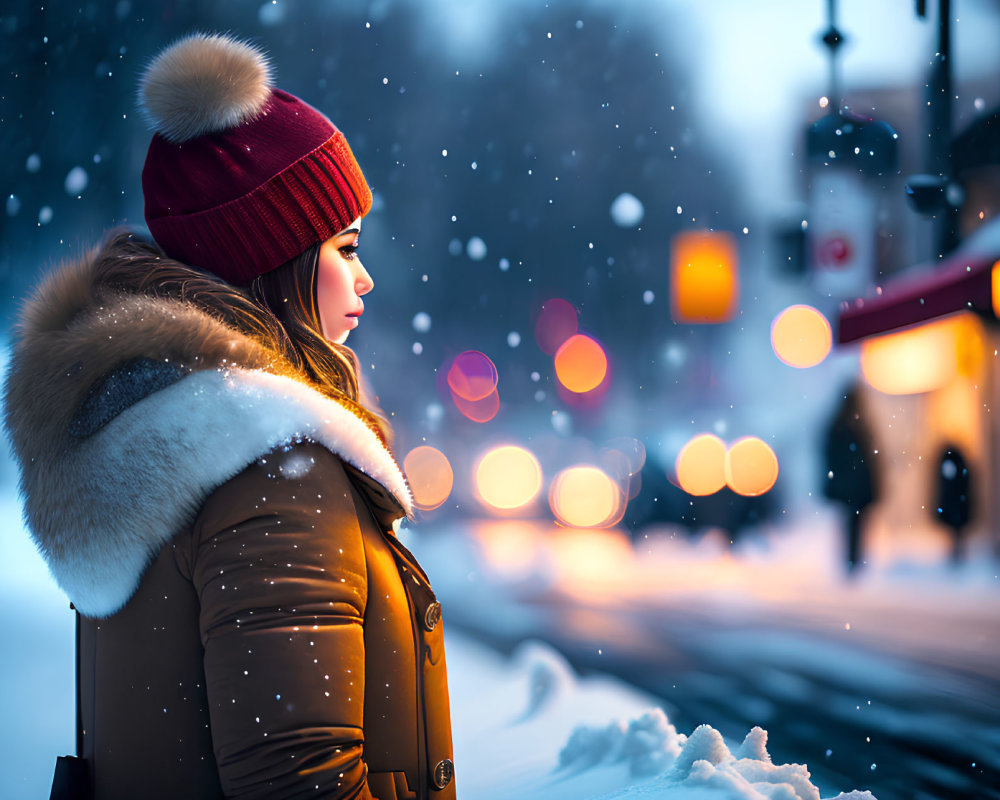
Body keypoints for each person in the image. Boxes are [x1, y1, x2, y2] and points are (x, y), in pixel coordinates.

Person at [3, 33, 454, 799]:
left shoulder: (151, 436)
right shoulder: (276, 474)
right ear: (273, 264)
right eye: (344, 248)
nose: (365, 278)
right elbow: (301, 780)